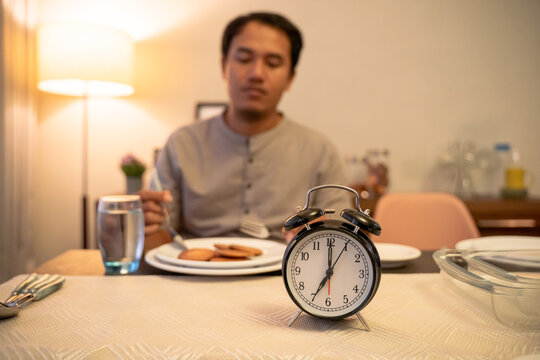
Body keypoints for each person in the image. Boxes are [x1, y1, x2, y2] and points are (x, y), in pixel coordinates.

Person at [141, 12, 350, 241]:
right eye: (243, 59)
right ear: (224, 66)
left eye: (272, 63)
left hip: (287, 273)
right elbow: (161, 231)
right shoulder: (182, 144)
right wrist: (143, 222)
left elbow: (341, 236)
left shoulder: (320, 151)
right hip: (196, 271)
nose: (256, 74)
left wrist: (325, 231)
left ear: (290, 78)